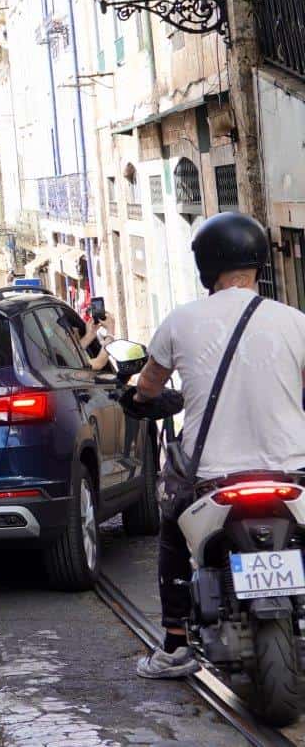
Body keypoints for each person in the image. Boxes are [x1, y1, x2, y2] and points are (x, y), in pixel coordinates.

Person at [132, 212, 305, 679]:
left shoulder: (179, 322)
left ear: (205, 266)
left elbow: (147, 388)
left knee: (170, 526)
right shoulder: (295, 321)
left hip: (213, 475)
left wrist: (142, 398)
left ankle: (174, 643)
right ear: (259, 262)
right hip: (292, 472)